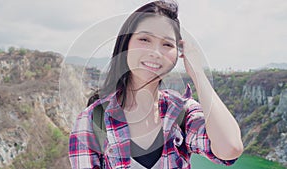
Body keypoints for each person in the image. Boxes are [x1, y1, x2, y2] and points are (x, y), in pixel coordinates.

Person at [69, 1, 244, 168]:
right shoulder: (92, 120)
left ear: (177, 54)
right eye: (145, 39)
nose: (155, 52)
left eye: (167, 44)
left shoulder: (180, 112)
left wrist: (198, 73)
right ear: (126, 44)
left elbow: (229, 148)